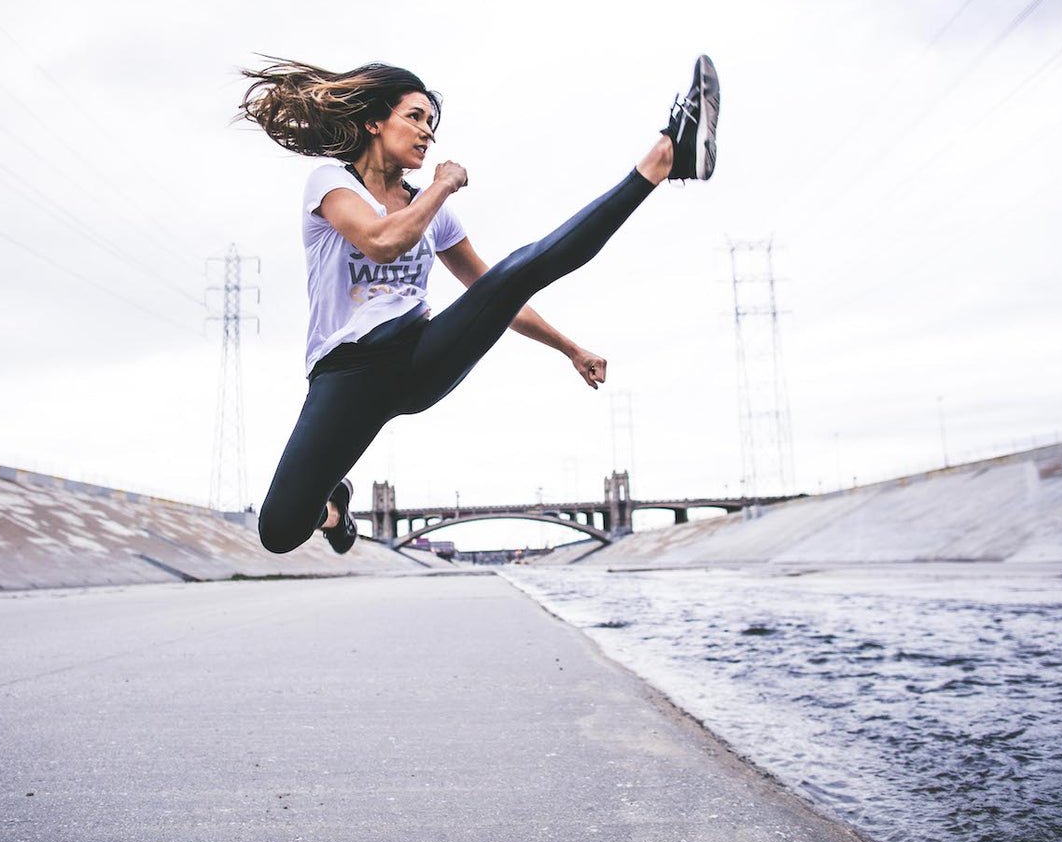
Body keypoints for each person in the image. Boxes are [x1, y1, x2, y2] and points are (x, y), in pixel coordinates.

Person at [237, 55, 719, 554]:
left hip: (418, 355)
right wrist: (443, 185)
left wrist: (570, 348)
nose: (427, 133)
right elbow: (382, 241)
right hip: (346, 373)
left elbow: (495, 292)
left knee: (517, 272)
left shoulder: (432, 213)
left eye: (432, 124)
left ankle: (665, 158)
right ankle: (335, 508)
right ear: (374, 122)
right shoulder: (331, 184)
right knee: (279, 531)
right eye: (415, 117)